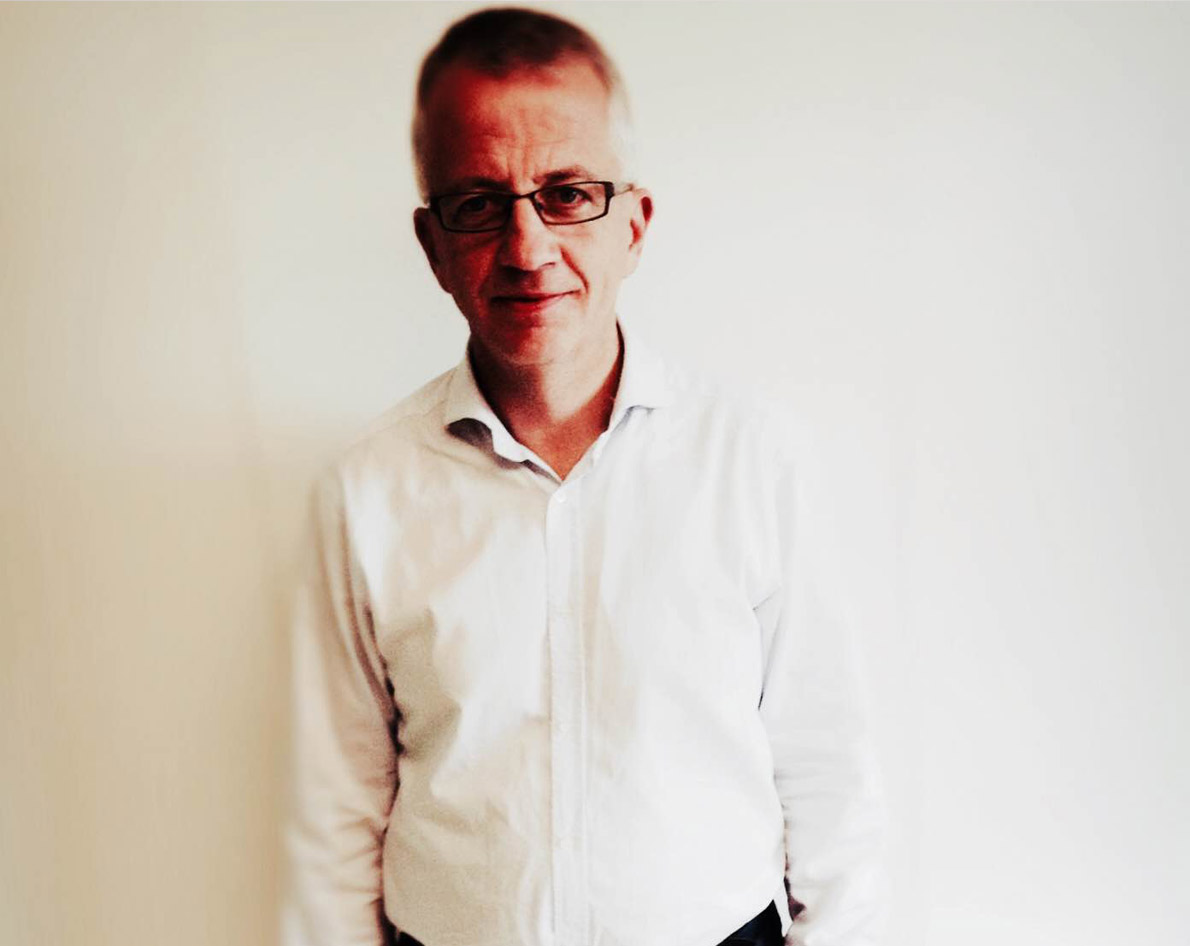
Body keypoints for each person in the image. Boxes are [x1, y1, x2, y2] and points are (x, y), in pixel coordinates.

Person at [283, 8, 884, 946]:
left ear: (634, 225)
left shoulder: (755, 460)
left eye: (567, 194)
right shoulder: (365, 493)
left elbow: (829, 780)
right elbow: (335, 819)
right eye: (478, 203)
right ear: (433, 245)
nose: (527, 249)